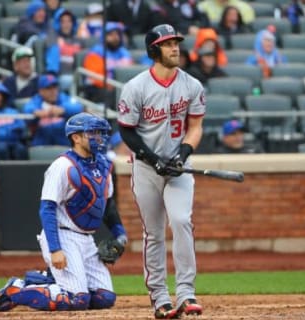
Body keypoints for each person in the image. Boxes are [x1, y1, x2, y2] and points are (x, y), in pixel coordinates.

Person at [0, 112, 128, 312]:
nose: (99, 137)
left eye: (101, 132)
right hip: (63, 235)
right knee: (78, 300)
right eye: (92, 133)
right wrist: (55, 249)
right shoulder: (62, 166)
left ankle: (48, 280)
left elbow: (108, 204)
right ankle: (16, 289)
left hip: (87, 239)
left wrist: (120, 234)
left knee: (104, 298)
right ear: (76, 137)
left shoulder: (104, 165)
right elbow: (47, 208)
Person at [116, 24, 205, 319]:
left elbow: (195, 127)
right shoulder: (136, 87)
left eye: (176, 42)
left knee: (181, 221)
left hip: (178, 168)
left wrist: (183, 153)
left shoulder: (192, 85)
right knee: (153, 233)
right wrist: (153, 159)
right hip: (146, 168)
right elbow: (127, 132)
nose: (175, 48)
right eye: (168, 44)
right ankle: (159, 297)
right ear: (154, 50)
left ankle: (186, 293)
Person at [23, 74, 83, 146]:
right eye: (48, 88)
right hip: (42, 140)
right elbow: (27, 109)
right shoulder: (37, 100)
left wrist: (63, 110)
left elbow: (77, 107)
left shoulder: (63, 97)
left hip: (64, 140)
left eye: (55, 87)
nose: (53, 91)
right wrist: (36, 112)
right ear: (41, 91)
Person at [82, 22, 133, 106]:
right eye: (111, 35)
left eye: (117, 34)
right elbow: (94, 78)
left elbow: (131, 72)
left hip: (120, 88)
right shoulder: (96, 52)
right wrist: (114, 86)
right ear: (103, 36)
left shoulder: (124, 53)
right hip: (100, 89)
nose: (115, 37)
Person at [45, 8, 84, 91]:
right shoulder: (53, 40)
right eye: (63, 21)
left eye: (69, 21)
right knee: (68, 80)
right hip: (61, 76)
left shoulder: (79, 40)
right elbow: (52, 66)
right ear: (58, 23)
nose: (66, 24)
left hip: (79, 75)